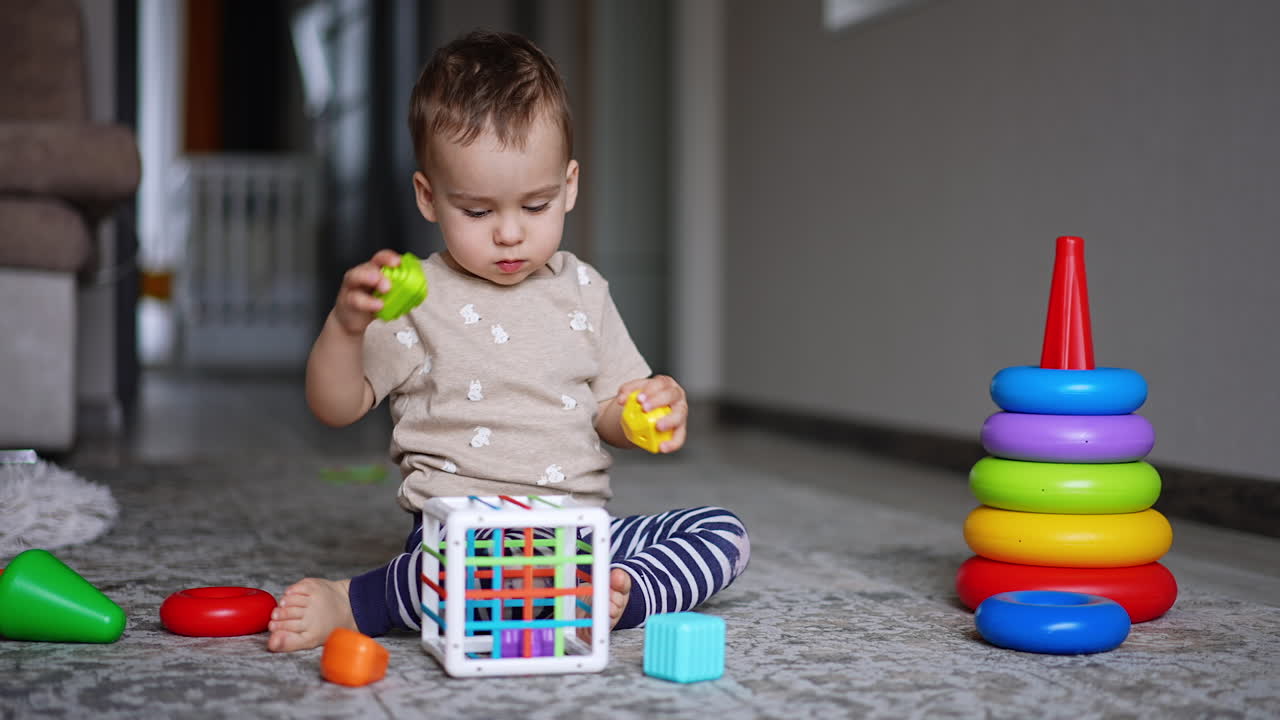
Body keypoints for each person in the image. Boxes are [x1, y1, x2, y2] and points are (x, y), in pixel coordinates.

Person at [266, 29, 749, 653]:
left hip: (577, 533)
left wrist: (643, 412)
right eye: (477, 211)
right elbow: (336, 406)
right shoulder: (417, 300)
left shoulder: (584, 289)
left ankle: (622, 589)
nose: (510, 234)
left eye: (537, 204)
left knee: (722, 532)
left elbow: (609, 410)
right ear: (429, 198)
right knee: (457, 578)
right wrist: (346, 326)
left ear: (569, 186)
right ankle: (359, 600)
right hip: (465, 537)